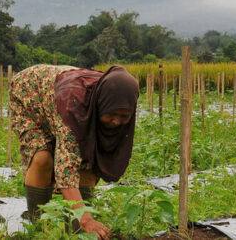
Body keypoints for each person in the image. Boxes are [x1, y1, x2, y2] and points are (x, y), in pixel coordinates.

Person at [9, 64, 139, 240]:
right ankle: (40, 229)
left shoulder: (110, 96)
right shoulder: (74, 107)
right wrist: (86, 219)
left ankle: (76, 233)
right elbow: (66, 169)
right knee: (42, 157)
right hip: (30, 96)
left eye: (124, 116)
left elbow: (89, 159)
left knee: (87, 162)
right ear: (101, 104)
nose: (117, 122)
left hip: (57, 100)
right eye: (112, 114)